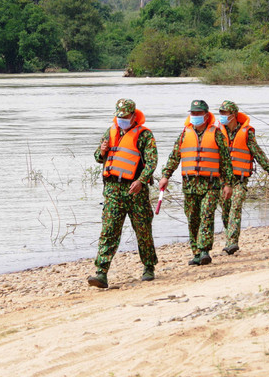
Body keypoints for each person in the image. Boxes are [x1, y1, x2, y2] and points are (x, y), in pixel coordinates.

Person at [88, 98, 159, 289]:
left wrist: (141, 181)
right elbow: (97, 157)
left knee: (143, 229)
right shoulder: (110, 132)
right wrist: (102, 152)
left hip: (136, 190)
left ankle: (149, 266)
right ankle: (101, 273)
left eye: (125, 116)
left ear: (133, 115)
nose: (122, 119)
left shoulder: (144, 135)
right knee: (109, 230)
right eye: (119, 116)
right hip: (113, 190)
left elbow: (152, 162)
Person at [159, 100, 234, 266]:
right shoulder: (184, 134)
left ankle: (205, 250)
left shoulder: (216, 134)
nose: (195, 116)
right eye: (193, 113)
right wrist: (165, 176)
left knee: (206, 216)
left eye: (198, 113)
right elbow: (174, 157)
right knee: (193, 218)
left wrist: (228, 184)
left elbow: (226, 162)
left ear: (206, 115)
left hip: (211, 184)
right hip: (190, 184)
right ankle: (196, 252)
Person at [216, 101, 269, 255]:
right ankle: (229, 236)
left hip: (239, 179)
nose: (222, 116)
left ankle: (232, 242)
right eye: (221, 112)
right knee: (226, 211)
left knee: (236, 206)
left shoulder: (246, 132)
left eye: (224, 113)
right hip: (223, 180)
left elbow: (258, 153)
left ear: (233, 115)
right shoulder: (217, 131)